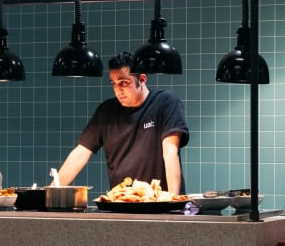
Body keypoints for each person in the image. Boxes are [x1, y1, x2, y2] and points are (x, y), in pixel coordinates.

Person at [55, 52, 189, 193]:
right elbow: (81, 153)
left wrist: (173, 199)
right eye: (114, 83)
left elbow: (170, 153)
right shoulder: (106, 111)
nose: (118, 90)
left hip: (161, 204)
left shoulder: (166, 102)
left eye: (124, 83)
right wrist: (52, 191)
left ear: (142, 79)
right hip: (122, 204)